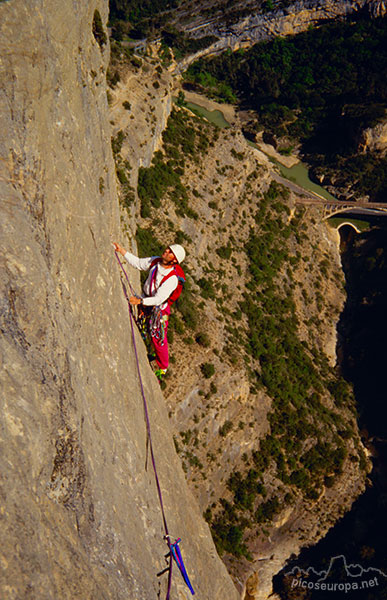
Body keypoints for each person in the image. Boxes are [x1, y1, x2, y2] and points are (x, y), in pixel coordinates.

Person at [113, 242, 186, 382]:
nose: (166, 251)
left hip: (158, 308)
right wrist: (121, 251)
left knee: (158, 337)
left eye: (170, 252)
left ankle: (163, 367)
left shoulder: (172, 279)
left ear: (174, 260)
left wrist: (140, 302)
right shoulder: (156, 261)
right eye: (168, 249)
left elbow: (159, 299)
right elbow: (139, 263)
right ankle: (152, 352)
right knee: (146, 328)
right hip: (147, 300)